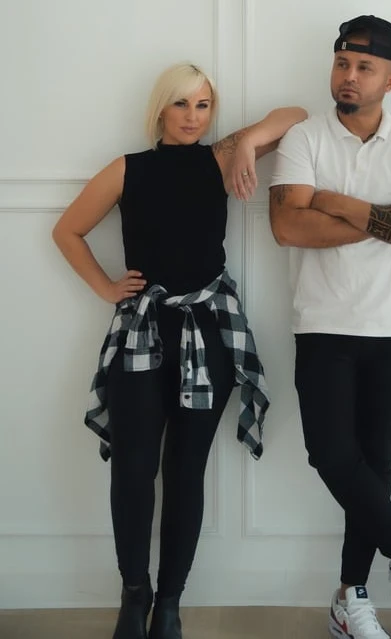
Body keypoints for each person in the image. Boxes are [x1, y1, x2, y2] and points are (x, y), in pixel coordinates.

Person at [52, 62, 306, 639]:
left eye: (204, 105)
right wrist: (106, 288)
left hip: (209, 335)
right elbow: (67, 230)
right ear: (160, 109)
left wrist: (248, 146)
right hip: (141, 334)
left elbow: (295, 116)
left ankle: (170, 603)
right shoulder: (127, 169)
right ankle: (133, 596)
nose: (193, 117)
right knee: (134, 470)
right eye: (182, 104)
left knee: (186, 472)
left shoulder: (221, 157)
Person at [269, 15, 391, 639]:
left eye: (365, 67)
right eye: (342, 63)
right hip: (321, 323)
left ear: (390, 80)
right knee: (331, 455)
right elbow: (288, 226)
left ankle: (351, 596)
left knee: (375, 464)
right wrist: (387, 218)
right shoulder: (304, 138)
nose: (349, 75)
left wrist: (338, 203)